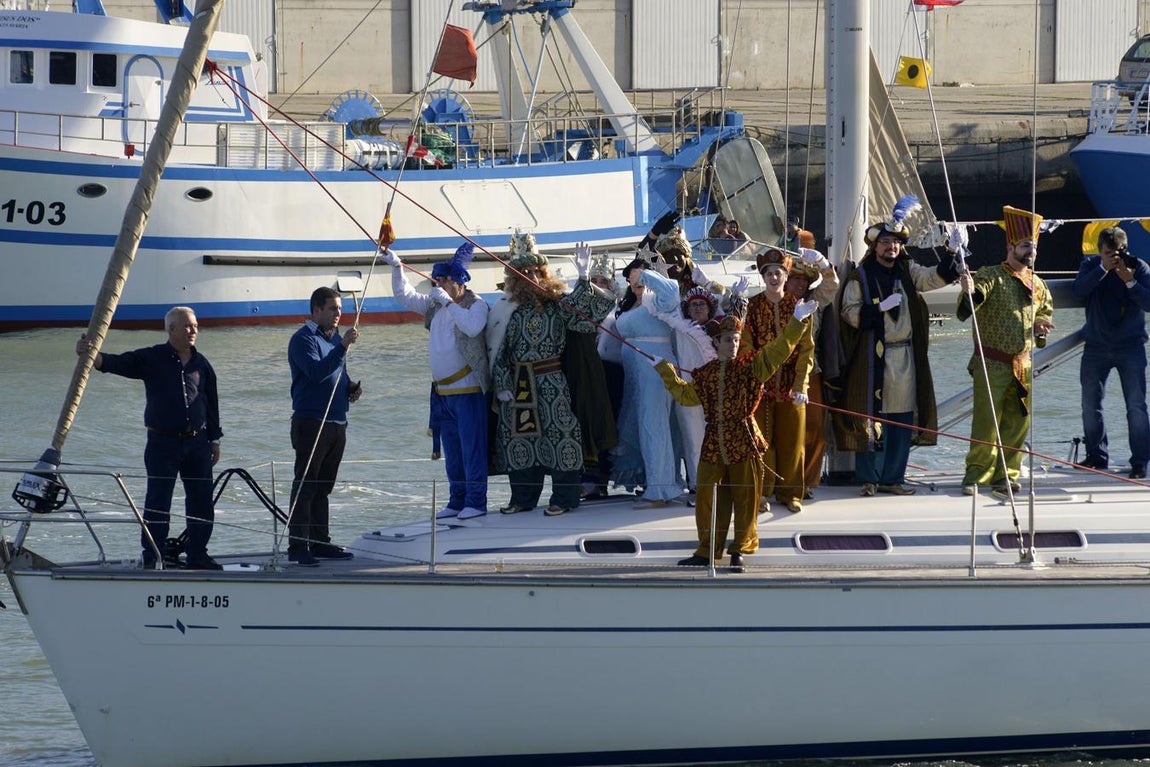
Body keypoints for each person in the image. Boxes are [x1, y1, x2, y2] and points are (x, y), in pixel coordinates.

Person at [656, 301, 819, 572]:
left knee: (746, 499)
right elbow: (686, 397)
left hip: (743, 440)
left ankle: (740, 548)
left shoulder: (751, 368)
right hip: (713, 441)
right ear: (716, 342)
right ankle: (707, 549)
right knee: (707, 496)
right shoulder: (706, 374)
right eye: (728, 340)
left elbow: (779, 350)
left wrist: (796, 321)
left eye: (736, 339)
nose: (733, 344)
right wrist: (665, 370)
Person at [77, 306, 223, 570]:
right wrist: (93, 356)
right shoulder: (153, 357)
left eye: (195, 326)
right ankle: (152, 555)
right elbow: (118, 363)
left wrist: (215, 440)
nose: (193, 331)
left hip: (197, 443)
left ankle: (198, 554)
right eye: (187, 326)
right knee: (158, 501)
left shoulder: (202, 364)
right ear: (172, 329)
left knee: (201, 501)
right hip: (162, 443)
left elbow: (211, 404)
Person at [835, 196, 959, 497]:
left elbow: (932, 279)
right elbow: (849, 314)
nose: (891, 247)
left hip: (904, 356)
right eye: (885, 242)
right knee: (869, 418)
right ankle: (869, 478)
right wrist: (878, 309)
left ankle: (893, 478)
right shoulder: (859, 277)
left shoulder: (908, 271)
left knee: (900, 420)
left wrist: (952, 252)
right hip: (872, 356)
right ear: (874, 246)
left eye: (895, 242)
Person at [488, 234, 616, 516]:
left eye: (537, 271)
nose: (532, 275)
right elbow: (499, 351)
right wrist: (501, 385)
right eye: (526, 272)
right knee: (518, 441)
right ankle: (522, 498)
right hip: (518, 384)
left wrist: (583, 279)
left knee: (562, 435)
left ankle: (564, 497)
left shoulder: (557, 304)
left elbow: (585, 319)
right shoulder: (507, 309)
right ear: (516, 278)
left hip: (550, 380)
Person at [384, 242, 491, 519]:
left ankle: (476, 502)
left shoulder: (476, 305)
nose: (438, 284)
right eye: (437, 280)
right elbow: (404, 296)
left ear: (458, 282)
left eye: (443, 280)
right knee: (452, 451)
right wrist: (396, 266)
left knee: (472, 448)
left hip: (468, 388)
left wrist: (446, 302)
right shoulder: (435, 305)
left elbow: (472, 327)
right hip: (442, 391)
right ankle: (457, 500)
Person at [957, 205, 1055, 495]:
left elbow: (1045, 311)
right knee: (986, 423)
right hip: (991, 363)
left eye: (1034, 246)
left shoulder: (1037, 283)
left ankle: (1007, 474)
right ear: (1011, 246)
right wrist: (968, 289)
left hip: (1022, 364)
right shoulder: (991, 275)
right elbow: (976, 298)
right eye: (1026, 245)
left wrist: (1041, 325)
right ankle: (977, 476)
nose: (1030, 251)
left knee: (1018, 423)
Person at [287, 287, 361, 566]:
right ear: (316, 310)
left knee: (323, 486)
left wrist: (350, 388)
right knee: (306, 484)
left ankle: (320, 542)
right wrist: (342, 346)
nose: (338, 313)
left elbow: (337, 374)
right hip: (311, 421)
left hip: (336, 421)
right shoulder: (303, 340)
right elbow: (317, 373)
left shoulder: (332, 340)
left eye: (340, 309)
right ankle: (298, 546)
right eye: (332, 309)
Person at [1071, 225, 1150, 478]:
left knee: (1136, 407)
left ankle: (1140, 462)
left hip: (1131, 347)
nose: (1116, 256)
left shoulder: (1139, 267)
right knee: (1090, 405)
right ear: (1100, 250)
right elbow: (1078, 291)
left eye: (1120, 251)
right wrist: (1102, 269)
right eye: (1109, 253)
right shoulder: (1091, 266)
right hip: (1096, 346)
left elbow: (1149, 303)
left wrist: (1130, 282)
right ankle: (1096, 457)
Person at [739, 248, 814, 513]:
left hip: (791, 387)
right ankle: (762, 492)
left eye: (778, 273)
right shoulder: (753, 306)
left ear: (785, 276)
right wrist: (754, 377)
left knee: (793, 442)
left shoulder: (799, 306)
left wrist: (800, 385)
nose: (773, 278)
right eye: (769, 273)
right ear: (764, 277)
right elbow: (745, 346)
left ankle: (791, 493)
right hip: (761, 385)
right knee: (761, 441)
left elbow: (806, 350)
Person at [610, 256, 685, 506]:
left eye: (640, 274)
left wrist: (647, 274)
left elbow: (673, 290)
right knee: (641, 425)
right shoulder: (629, 304)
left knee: (655, 426)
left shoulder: (660, 302)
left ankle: (660, 489)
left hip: (655, 368)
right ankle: (651, 480)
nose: (635, 279)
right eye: (632, 275)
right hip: (633, 372)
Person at [784, 248, 839, 496]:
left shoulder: (814, 302)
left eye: (804, 280)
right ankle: (779, 481)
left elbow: (832, 284)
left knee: (815, 428)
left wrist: (822, 262)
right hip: (778, 373)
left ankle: (806, 481)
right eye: (795, 278)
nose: (799, 284)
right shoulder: (772, 300)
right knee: (780, 431)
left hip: (810, 372)